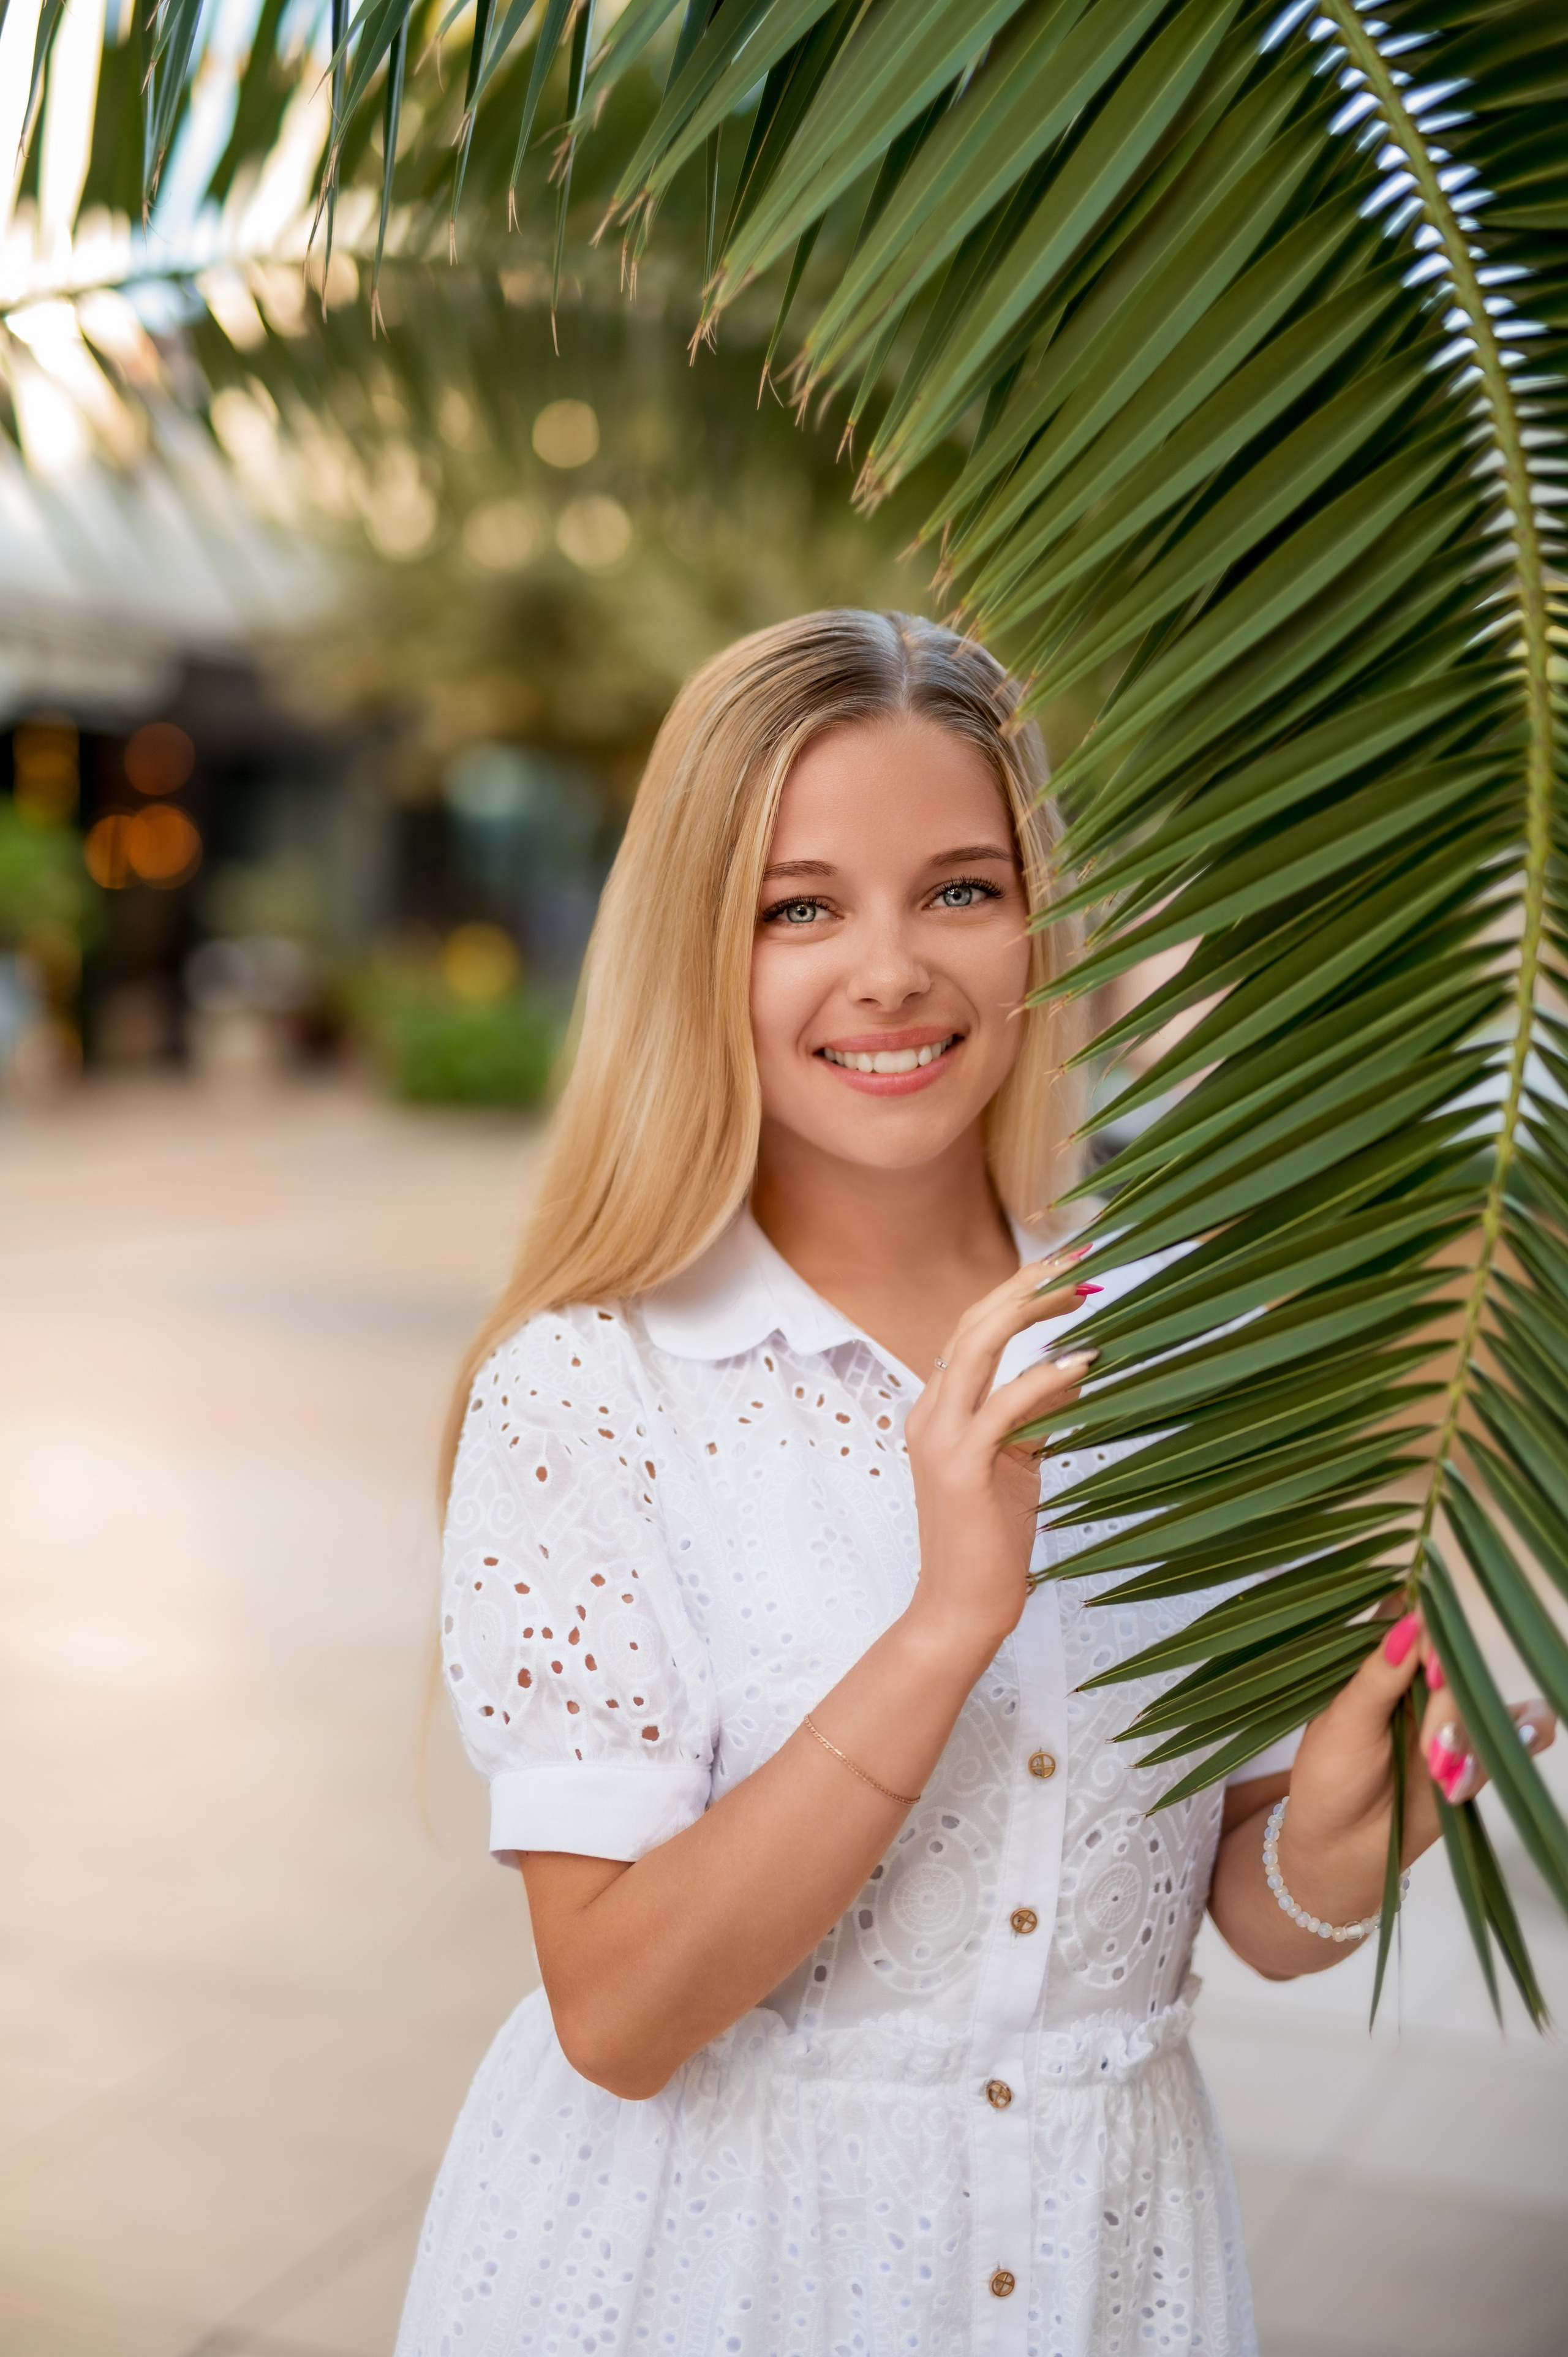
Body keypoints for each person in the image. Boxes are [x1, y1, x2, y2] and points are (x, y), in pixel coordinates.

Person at [396, 610, 1553, 2357]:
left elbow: (1219, 1911)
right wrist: (947, 1624)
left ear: (1036, 929)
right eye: (802, 905)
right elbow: (618, 2014)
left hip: (1105, 2271)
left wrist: (1329, 1838)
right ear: (699, 947)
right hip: (703, 2282)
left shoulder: (1185, 1350)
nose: (894, 971)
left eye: (959, 889)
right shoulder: (591, 1388)